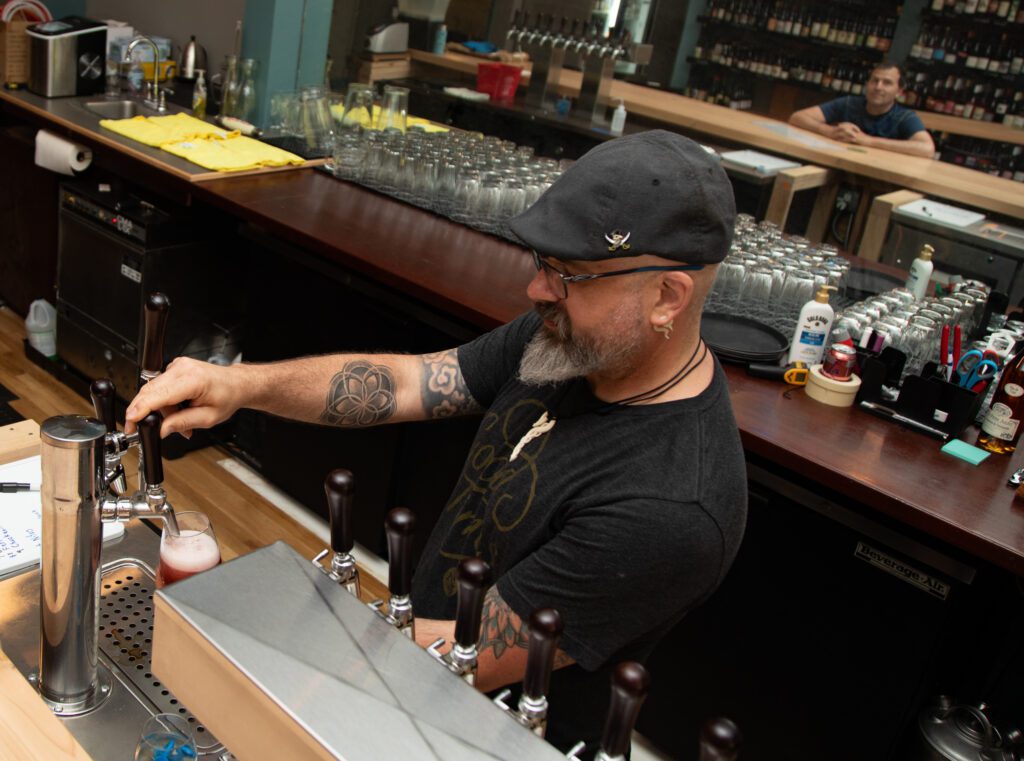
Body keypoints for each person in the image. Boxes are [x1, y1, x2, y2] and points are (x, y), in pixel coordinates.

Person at [125, 130, 748, 756]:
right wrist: (238, 384)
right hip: (407, 669)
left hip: (474, 732)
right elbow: (409, 383)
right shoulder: (572, 343)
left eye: (570, 275)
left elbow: (462, 652)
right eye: (543, 263)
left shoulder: (670, 507)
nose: (538, 291)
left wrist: (284, 654)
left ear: (668, 297)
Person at [789, 62, 935, 158]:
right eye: (874, 81)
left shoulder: (904, 117)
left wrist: (869, 141)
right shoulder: (849, 103)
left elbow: (927, 149)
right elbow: (797, 117)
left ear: (899, 91)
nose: (878, 87)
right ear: (867, 84)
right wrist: (830, 131)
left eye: (887, 83)